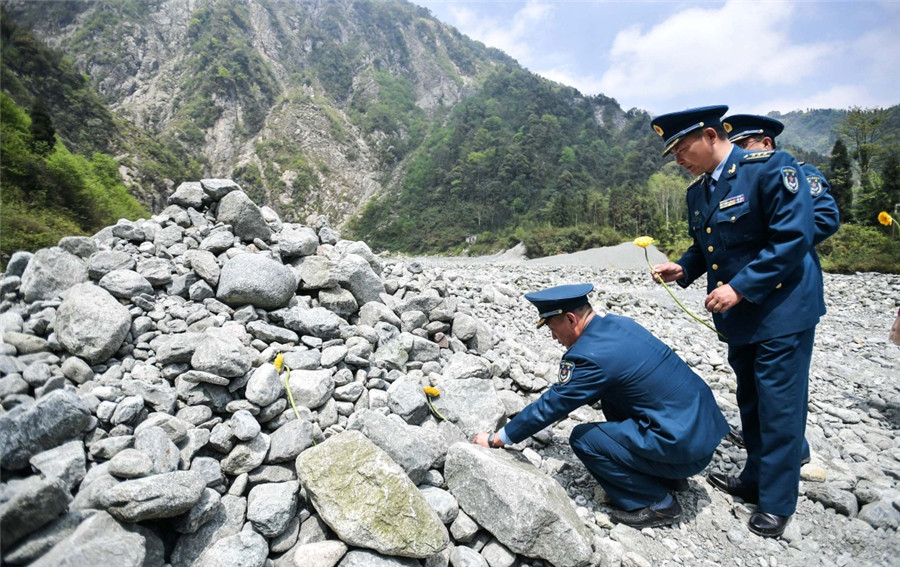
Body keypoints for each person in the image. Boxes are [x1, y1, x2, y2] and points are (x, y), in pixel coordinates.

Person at [648, 105, 822, 538]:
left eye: (682, 148)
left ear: (710, 136)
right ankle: (754, 478)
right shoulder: (699, 191)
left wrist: (741, 287)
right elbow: (708, 245)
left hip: (782, 310)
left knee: (779, 407)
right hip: (739, 316)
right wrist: (684, 268)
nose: (679, 160)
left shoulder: (769, 168)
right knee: (751, 400)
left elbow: (793, 237)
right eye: (673, 154)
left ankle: (777, 502)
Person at [472, 283, 728, 530]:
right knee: (613, 397)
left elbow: (551, 405)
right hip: (703, 433)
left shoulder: (589, 356)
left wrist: (498, 438)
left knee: (584, 439)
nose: (553, 337)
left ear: (571, 319)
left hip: (683, 449)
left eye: (552, 328)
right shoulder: (621, 325)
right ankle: (670, 477)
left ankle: (657, 503)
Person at [720, 114, 841, 463]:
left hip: (788, 289)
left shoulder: (798, 173)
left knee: (782, 386)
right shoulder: (736, 181)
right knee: (753, 380)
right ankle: (764, 447)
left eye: (743, 145)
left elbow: (825, 218)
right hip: (749, 293)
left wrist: (778, 239)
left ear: (766, 144)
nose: (738, 153)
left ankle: (791, 453)